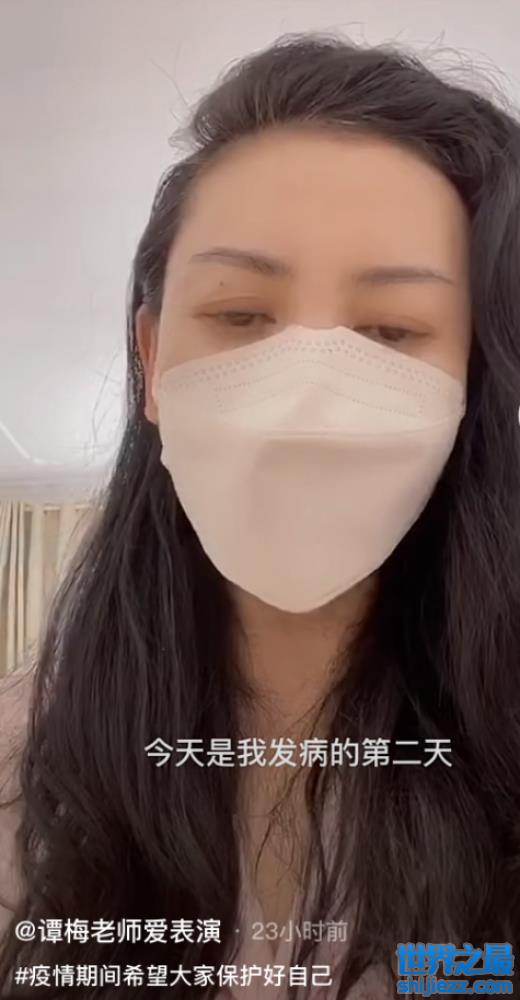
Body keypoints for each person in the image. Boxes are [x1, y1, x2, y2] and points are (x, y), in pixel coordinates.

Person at [1, 30, 520, 1000]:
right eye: (240, 315)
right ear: (152, 361)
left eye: (390, 330)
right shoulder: (23, 772)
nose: (305, 399)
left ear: (469, 385)